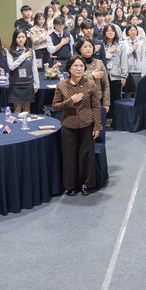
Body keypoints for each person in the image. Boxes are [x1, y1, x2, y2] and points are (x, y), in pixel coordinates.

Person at [52, 55, 101, 196]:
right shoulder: (61, 85)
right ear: (69, 68)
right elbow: (55, 106)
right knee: (69, 157)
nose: (79, 69)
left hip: (87, 124)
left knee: (86, 156)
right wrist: (71, 101)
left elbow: (96, 106)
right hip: (68, 125)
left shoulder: (90, 84)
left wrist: (97, 126)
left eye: (81, 66)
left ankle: (86, 184)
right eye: (75, 66)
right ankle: (71, 185)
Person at [6, 29, 39, 114]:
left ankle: (26, 123)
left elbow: (34, 68)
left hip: (28, 82)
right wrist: (23, 56)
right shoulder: (10, 51)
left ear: (26, 38)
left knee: (27, 109)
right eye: (18, 37)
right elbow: (11, 67)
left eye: (23, 37)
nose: (21, 39)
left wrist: (36, 84)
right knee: (17, 109)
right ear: (15, 39)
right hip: (15, 83)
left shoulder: (31, 51)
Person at [77, 37, 111, 115]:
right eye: (85, 47)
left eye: (90, 47)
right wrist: (92, 76)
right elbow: (75, 80)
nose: (88, 49)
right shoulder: (75, 63)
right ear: (79, 49)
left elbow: (105, 84)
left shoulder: (99, 63)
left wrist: (106, 103)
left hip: (98, 98)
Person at [121, 24, 146, 98]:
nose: (133, 32)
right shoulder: (124, 43)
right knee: (127, 92)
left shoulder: (140, 43)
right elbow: (124, 55)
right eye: (131, 30)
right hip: (127, 70)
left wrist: (143, 72)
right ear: (127, 32)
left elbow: (143, 58)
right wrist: (132, 49)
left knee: (137, 91)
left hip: (137, 70)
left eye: (135, 30)